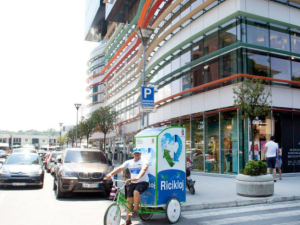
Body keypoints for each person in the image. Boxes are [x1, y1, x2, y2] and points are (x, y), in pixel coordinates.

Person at [105, 148, 149, 225]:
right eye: (135, 153)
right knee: (129, 199)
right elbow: (120, 168)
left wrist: (138, 177)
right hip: (133, 182)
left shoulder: (144, 161)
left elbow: (144, 169)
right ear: (132, 154)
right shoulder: (129, 162)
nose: (137, 154)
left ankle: (135, 211)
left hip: (143, 182)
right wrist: (110, 174)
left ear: (140, 154)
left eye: (138, 153)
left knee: (136, 191)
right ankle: (128, 220)